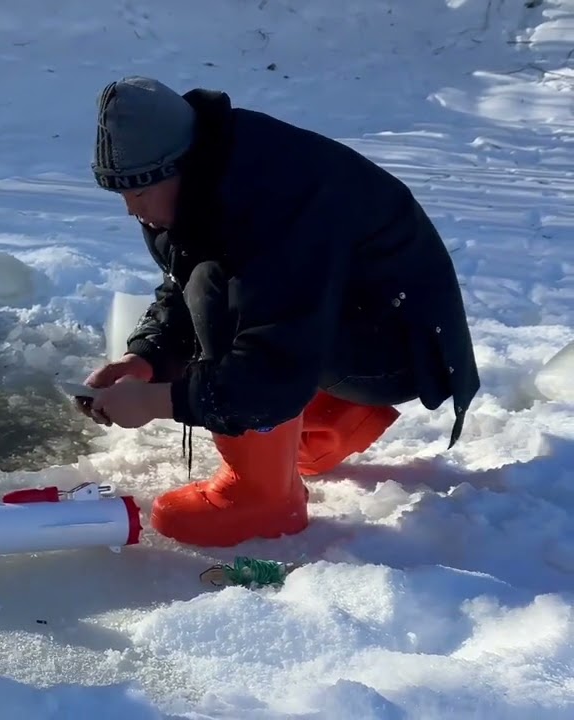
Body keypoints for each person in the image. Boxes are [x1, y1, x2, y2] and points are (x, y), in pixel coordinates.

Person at [78, 76, 480, 548]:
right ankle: (326, 421)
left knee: (220, 294)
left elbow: (269, 352)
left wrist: (160, 402)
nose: (132, 210)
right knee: (215, 288)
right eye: (123, 193)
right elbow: (180, 284)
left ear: (180, 165)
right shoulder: (203, 174)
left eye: (140, 192)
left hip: (399, 347)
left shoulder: (279, 201)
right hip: (345, 315)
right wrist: (145, 358)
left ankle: (263, 497)